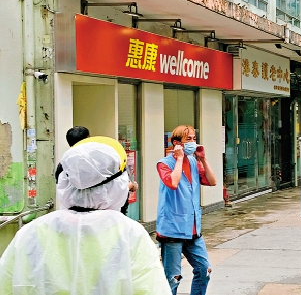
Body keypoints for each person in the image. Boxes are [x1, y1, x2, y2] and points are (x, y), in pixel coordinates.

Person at [0, 136, 170, 294]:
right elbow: (152, 288)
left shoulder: (31, 232)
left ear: (64, 182)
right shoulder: (130, 233)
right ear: (118, 184)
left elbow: (6, 284)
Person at [157, 125, 218, 295]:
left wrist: (203, 159)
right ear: (177, 143)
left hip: (192, 228)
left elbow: (212, 181)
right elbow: (173, 183)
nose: (193, 142)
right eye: (188, 139)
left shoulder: (193, 162)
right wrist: (178, 159)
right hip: (172, 230)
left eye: (194, 138)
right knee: (173, 278)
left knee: (204, 270)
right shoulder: (163, 164)